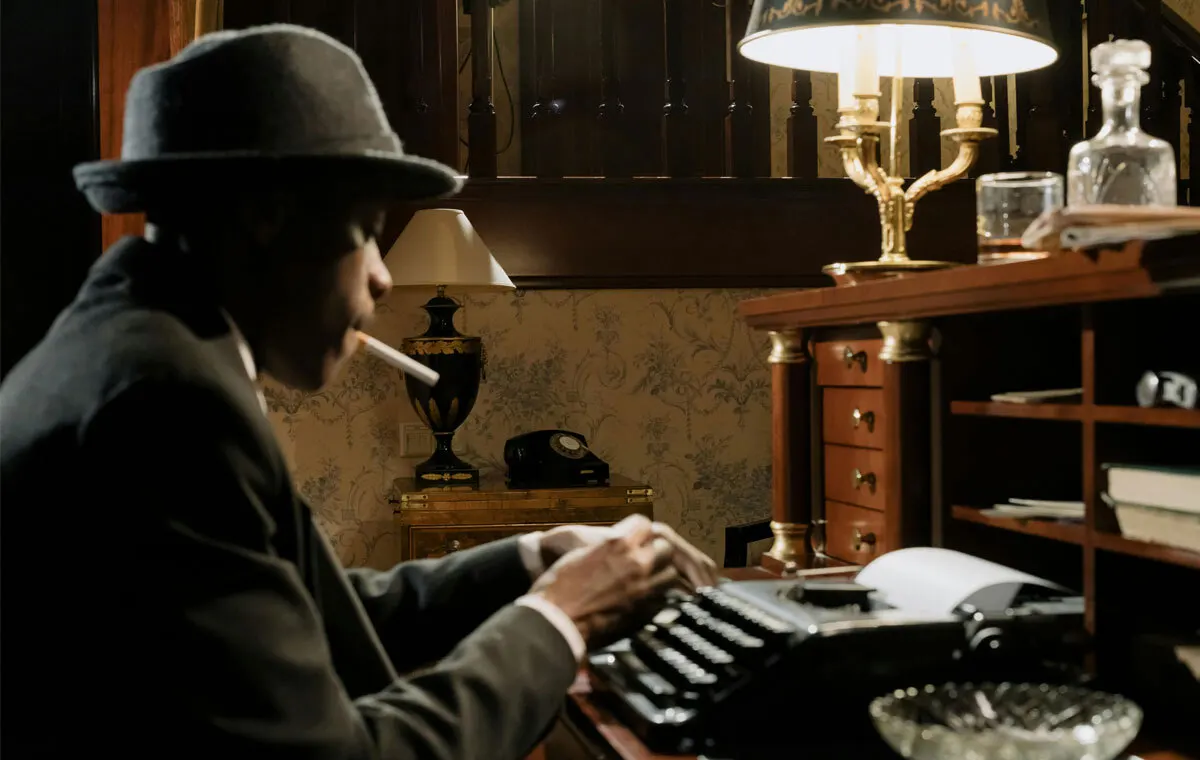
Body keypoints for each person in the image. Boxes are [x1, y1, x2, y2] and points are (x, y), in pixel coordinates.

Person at [0, 24, 718, 759]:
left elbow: (310, 619)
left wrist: (537, 556)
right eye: (367, 229)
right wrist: (564, 616)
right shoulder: (168, 405)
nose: (381, 277)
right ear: (268, 215)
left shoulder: (136, 345)